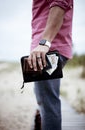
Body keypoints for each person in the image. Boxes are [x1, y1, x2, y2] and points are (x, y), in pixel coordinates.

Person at [27, 0, 73, 130]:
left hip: (48, 51)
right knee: (44, 101)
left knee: (48, 106)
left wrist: (45, 43)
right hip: (50, 49)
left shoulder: (46, 47)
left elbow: (60, 2)